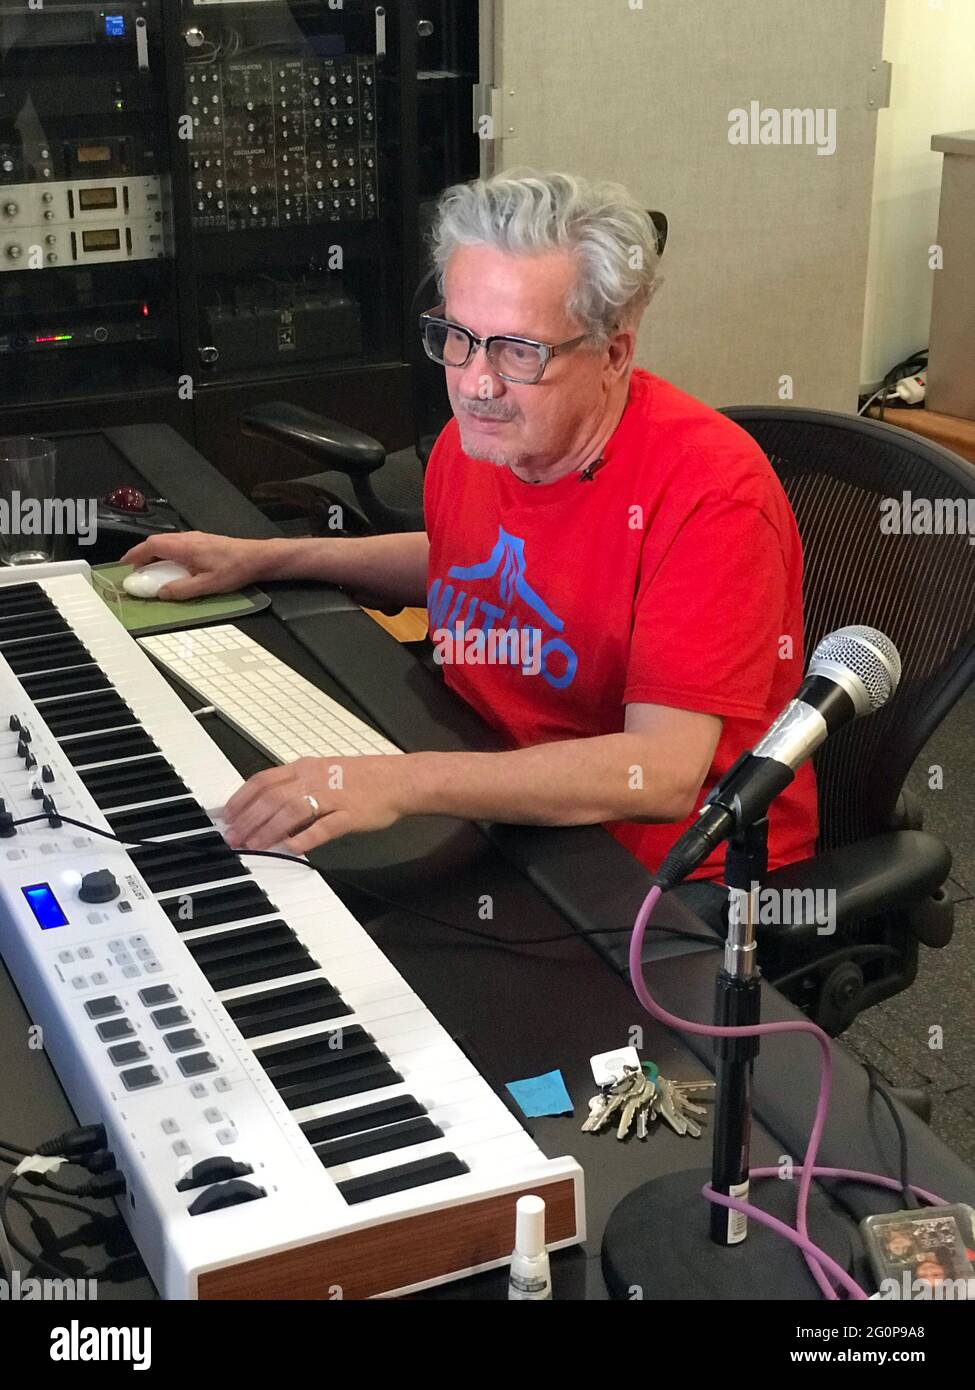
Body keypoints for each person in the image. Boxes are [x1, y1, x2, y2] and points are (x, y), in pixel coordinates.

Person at [122, 170, 818, 951]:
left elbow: (659, 774)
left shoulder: (710, 495)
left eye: (518, 350)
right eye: (455, 337)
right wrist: (268, 557)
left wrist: (404, 782)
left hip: (660, 871)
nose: (475, 382)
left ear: (614, 352)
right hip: (492, 789)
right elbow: (464, 556)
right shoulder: (487, 438)